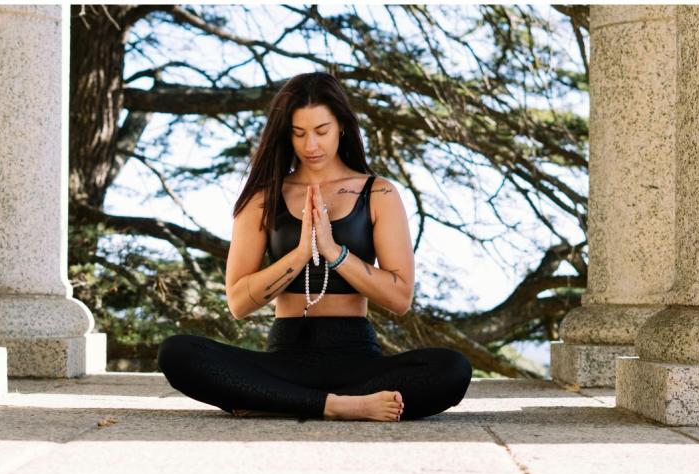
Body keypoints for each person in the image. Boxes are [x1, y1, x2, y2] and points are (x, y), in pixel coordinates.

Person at [157, 72, 472, 422]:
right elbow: (238, 302)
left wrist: (333, 252)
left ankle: (278, 402)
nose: (311, 146)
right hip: (284, 358)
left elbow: (400, 298)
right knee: (178, 353)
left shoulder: (379, 193)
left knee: (452, 368)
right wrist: (301, 254)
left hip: (357, 361)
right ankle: (336, 406)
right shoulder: (263, 196)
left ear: (341, 126)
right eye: (299, 133)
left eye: (321, 131)